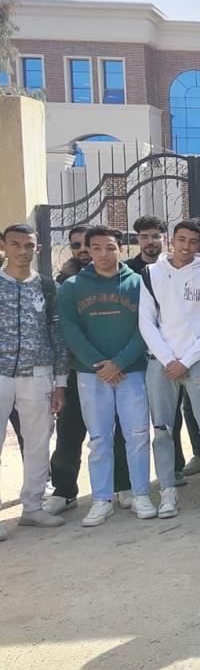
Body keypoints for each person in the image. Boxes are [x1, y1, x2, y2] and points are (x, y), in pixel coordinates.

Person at [57, 226, 151, 526]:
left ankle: (140, 493)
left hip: (131, 371)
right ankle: (101, 499)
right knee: (99, 438)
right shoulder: (72, 287)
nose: (103, 253)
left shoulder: (139, 283)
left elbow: (145, 328)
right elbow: (70, 330)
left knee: (137, 435)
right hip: (91, 374)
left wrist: (119, 362)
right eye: (96, 248)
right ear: (88, 250)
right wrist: (100, 364)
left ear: (120, 249)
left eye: (110, 247)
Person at [138, 219, 200, 517]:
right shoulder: (151, 274)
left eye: (193, 241)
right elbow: (146, 321)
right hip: (161, 363)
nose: (186, 246)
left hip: (198, 361)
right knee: (162, 430)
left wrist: (186, 361)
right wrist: (168, 360)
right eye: (181, 240)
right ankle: (167, 493)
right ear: (171, 241)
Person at [0, 223, 68, 537]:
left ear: (37, 248)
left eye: (28, 245)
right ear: (3, 246)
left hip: (38, 373)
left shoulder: (47, 286)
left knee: (39, 441)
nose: (22, 251)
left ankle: (33, 507)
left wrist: (60, 382)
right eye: (15, 244)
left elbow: (57, 334)